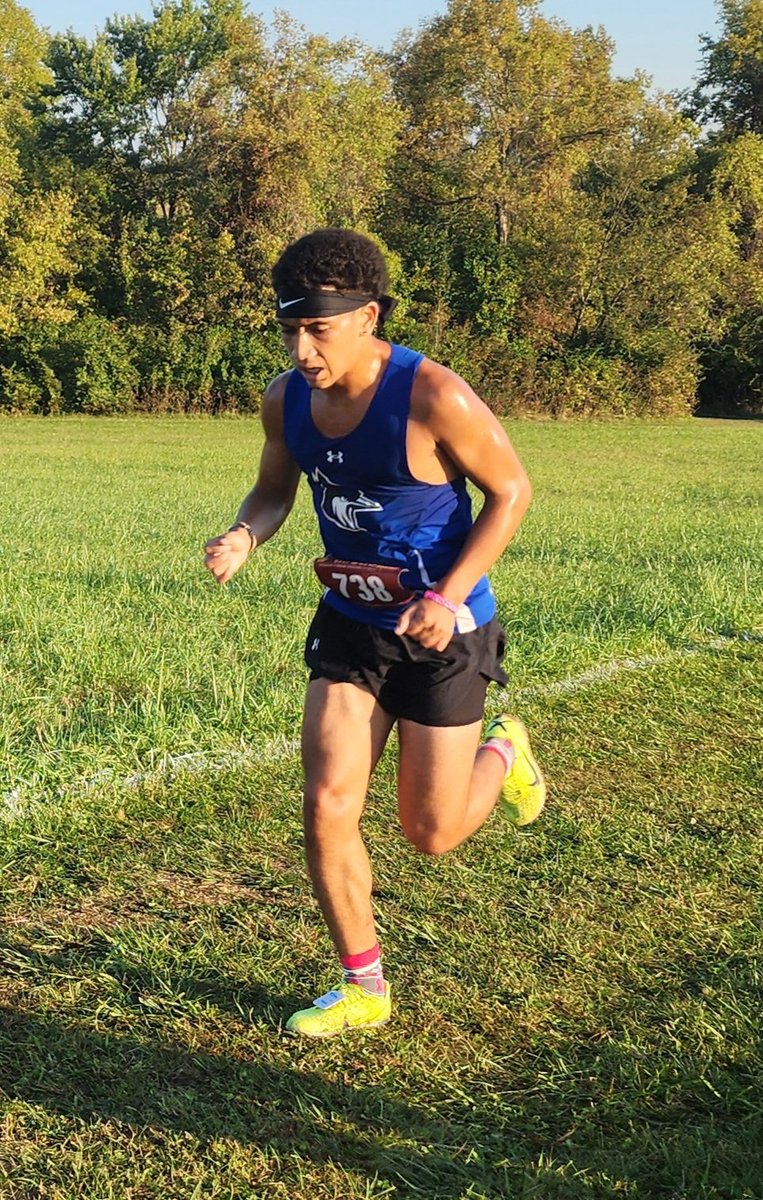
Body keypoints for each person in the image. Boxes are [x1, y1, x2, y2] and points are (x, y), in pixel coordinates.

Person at [204, 228, 545, 1039]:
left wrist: (449, 593)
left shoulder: (433, 396)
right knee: (326, 804)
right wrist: (245, 535)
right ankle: (363, 987)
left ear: (368, 315)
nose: (301, 347)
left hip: (443, 633)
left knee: (432, 833)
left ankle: (505, 748)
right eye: (289, 328)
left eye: (317, 329)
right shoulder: (285, 398)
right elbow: (271, 492)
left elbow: (510, 493)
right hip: (352, 624)